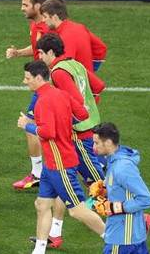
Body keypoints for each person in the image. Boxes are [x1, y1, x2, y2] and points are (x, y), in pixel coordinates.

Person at [17, 61, 105, 254]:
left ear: (39, 78)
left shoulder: (42, 102)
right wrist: (65, 121)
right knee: (42, 204)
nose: (25, 82)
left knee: (76, 210)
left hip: (60, 165)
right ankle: (39, 250)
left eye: (28, 78)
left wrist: (27, 125)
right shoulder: (61, 94)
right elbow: (83, 113)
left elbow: (47, 132)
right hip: (52, 163)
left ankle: (114, 240)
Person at [34, 33, 106, 248]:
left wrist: (64, 120)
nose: (39, 57)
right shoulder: (75, 64)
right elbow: (98, 86)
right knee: (49, 196)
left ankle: (130, 221)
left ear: (50, 52)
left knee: (96, 183)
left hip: (79, 133)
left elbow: (74, 103)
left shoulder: (58, 72)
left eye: (40, 52)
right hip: (87, 127)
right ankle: (54, 233)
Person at [5, 0, 50, 190]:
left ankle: (38, 173)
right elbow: (35, 48)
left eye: (25, 4)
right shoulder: (36, 25)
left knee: (30, 124)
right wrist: (18, 53)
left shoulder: (44, 29)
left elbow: (43, 58)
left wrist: (32, 77)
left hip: (46, 86)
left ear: (37, 6)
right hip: (44, 85)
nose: (21, 8)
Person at [92, 123, 150, 254]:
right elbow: (124, 188)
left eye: (96, 143)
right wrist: (105, 188)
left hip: (123, 239)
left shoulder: (122, 167)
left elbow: (146, 199)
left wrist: (114, 207)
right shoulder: (114, 159)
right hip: (130, 236)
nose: (94, 147)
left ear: (108, 142)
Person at [40, 0, 108, 73]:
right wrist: (90, 70)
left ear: (55, 17)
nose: (43, 20)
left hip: (74, 82)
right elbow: (100, 47)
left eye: (45, 17)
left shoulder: (66, 36)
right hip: (83, 80)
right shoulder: (79, 27)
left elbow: (65, 65)